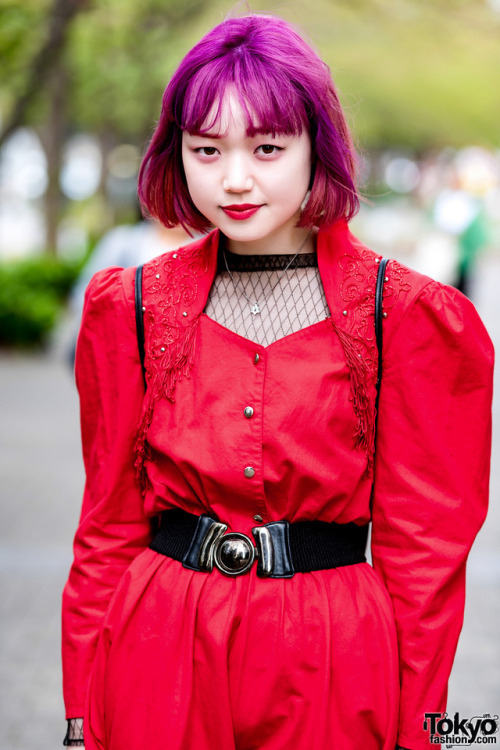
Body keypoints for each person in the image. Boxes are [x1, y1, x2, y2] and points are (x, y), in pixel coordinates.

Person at [61, 13, 494, 750]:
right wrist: (80, 719)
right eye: (207, 149)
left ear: (315, 148)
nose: (234, 179)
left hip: (333, 660)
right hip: (159, 652)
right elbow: (104, 531)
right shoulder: (127, 308)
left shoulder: (410, 318)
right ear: (179, 154)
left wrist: (425, 729)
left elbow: (425, 559)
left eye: (267, 147)